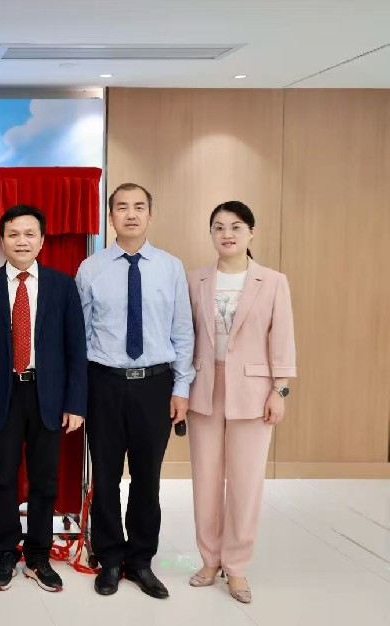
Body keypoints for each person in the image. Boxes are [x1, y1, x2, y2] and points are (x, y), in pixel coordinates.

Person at [75, 183, 194, 599]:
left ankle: (141, 561)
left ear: (150, 215)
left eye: (139, 207)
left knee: (147, 479)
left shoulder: (170, 267)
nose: (131, 214)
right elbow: (80, 335)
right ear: (110, 217)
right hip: (104, 383)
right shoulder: (91, 268)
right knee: (105, 477)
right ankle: (109, 558)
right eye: (122, 207)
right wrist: (79, 393)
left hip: (155, 385)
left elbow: (183, 331)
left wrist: (181, 387)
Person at [0, 204, 87, 592]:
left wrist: (75, 402)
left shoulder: (62, 286)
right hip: (2, 397)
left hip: (48, 396)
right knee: (2, 479)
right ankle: (4, 552)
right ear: (2, 241)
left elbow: (75, 349)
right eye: (14, 234)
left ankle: (37, 556)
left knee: (44, 480)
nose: (22, 241)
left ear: (42, 240)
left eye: (30, 234)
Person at [186, 201, 295, 604]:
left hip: (253, 391)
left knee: (246, 481)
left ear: (251, 232)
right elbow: (185, 335)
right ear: (211, 234)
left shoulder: (273, 281)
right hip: (203, 387)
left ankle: (236, 566)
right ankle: (209, 559)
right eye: (218, 227)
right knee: (206, 479)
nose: (227, 234)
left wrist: (279, 389)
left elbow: (282, 338)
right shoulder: (195, 279)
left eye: (235, 226)